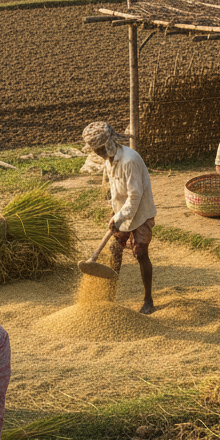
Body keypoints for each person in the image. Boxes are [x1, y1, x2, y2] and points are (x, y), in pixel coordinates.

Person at [82, 121, 158, 315]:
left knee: (141, 254)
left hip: (140, 213)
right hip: (120, 212)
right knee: (115, 250)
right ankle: (110, 295)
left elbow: (135, 197)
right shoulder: (109, 159)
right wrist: (116, 214)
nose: (97, 153)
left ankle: (148, 300)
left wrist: (119, 217)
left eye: (98, 149)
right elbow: (117, 190)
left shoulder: (129, 161)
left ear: (107, 144)